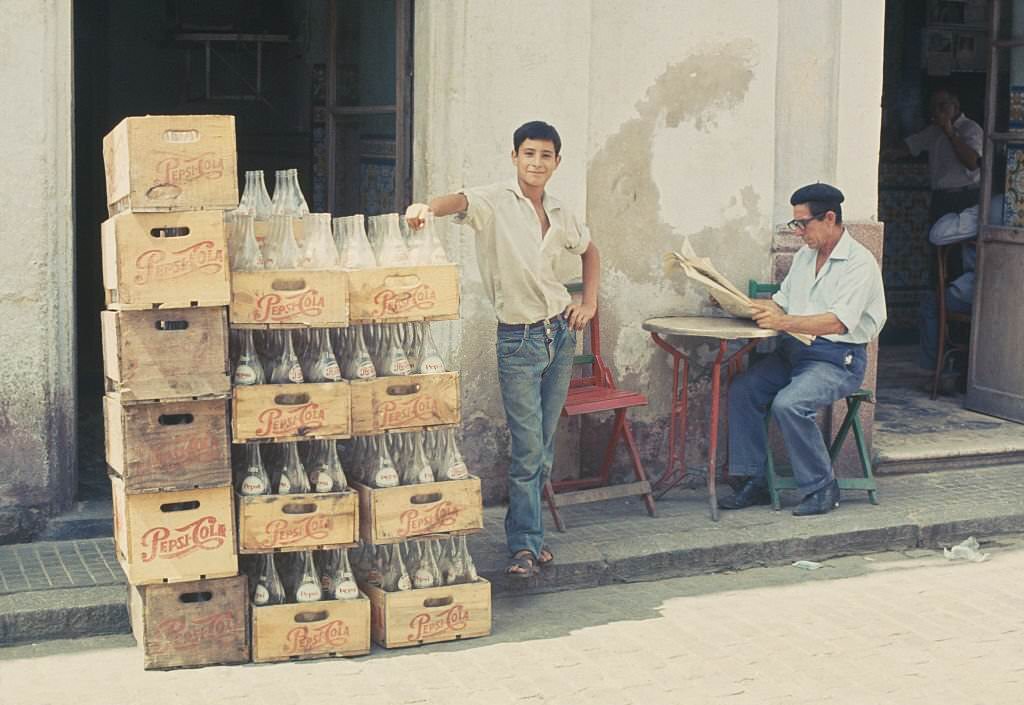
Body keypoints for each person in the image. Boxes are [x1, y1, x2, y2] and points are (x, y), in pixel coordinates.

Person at [404, 121, 600, 577]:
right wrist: (425, 207)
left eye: (546, 155)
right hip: (519, 341)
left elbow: (590, 252)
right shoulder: (495, 200)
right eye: (528, 154)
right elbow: (458, 200)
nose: (536, 163)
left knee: (543, 445)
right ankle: (524, 548)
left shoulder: (558, 208)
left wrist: (587, 304)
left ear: (556, 162)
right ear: (515, 157)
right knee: (529, 447)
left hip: (559, 335)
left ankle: (531, 538)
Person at [719, 183, 886, 516]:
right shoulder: (806, 257)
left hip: (837, 360)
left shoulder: (859, 264)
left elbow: (839, 323)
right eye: (794, 224)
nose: (798, 232)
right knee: (743, 390)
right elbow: (781, 303)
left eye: (802, 224)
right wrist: (733, 300)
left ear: (828, 218)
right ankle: (756, 481)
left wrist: (784, 323)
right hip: (793, 353)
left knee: (789, 404)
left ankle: (823, 486)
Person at [904, 88, 984, 252]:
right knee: (938, 246)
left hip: (967, 197)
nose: (938, 110)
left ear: (955, 105)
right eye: (934, 107)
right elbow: (909, 147)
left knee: (965, 251)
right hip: (942, 199)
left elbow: (973, 162)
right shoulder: (933, 131)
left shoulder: (970, 128)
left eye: (942, 105)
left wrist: (950, 132)